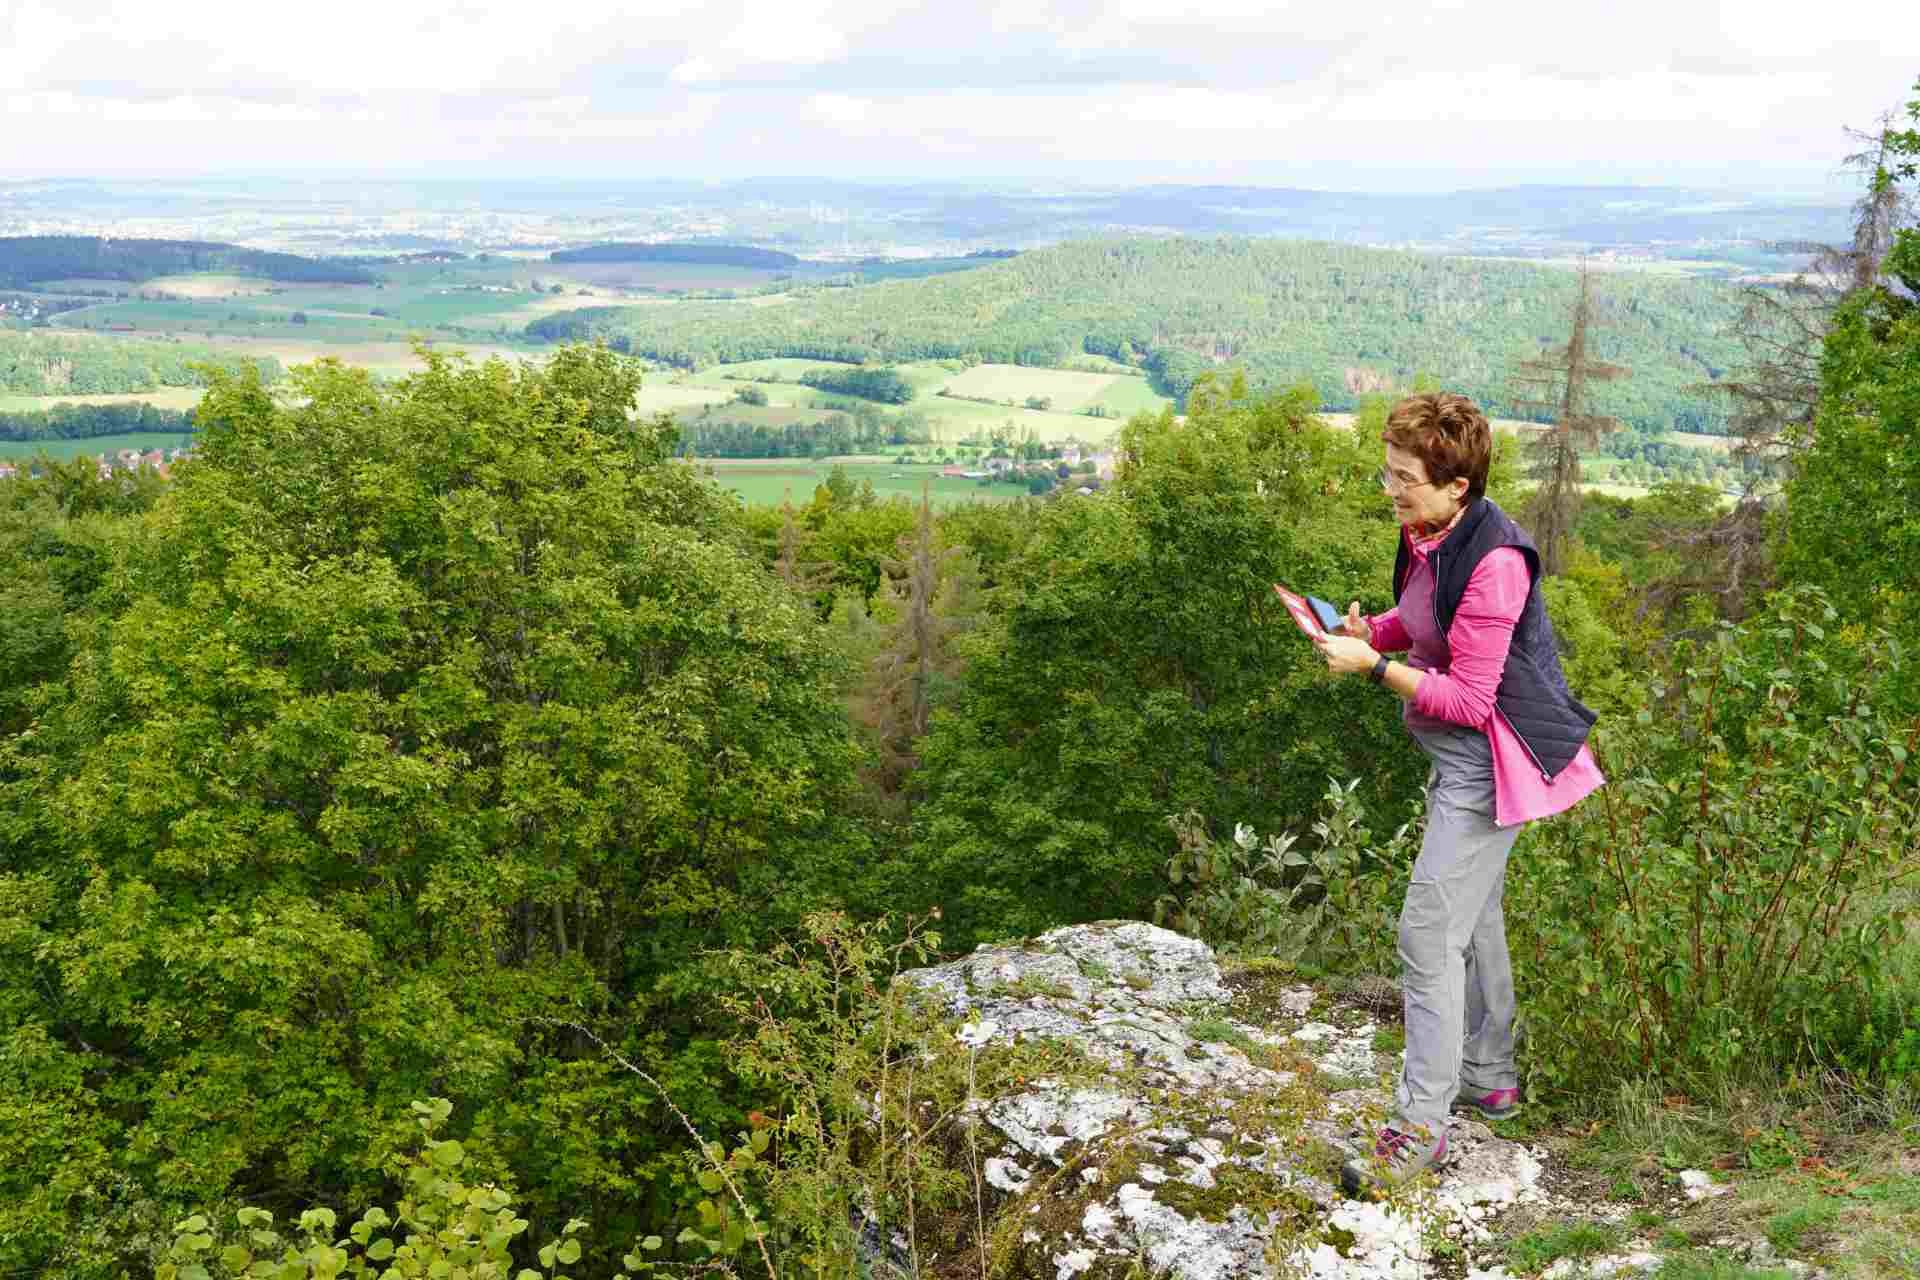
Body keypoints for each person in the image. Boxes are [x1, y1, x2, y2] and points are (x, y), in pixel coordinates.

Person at [1310, 391, 1605, 1197]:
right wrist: (1374, 632)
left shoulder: (1496, 562)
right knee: (1474, 917)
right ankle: (1489, 1076)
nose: (1391, 491)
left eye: (1404, 479)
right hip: (1460, 755)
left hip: (1492, 759)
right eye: (1388, 474)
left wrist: (1374, 669)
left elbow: (1472, 701)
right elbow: (1423, 617)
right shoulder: (1428, 533)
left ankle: (1420, 1129)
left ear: (1458, 486)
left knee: (1427, 936)